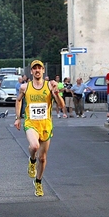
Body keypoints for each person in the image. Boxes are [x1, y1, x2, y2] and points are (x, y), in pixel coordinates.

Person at [14, 60, 65, 197]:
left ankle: (38, 182)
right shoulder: (25, 87)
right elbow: (18, 100)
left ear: (43, 71)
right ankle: (31, 160)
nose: (37, 70)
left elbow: (61, 106)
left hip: (46, 125)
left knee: (42, 158)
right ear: (31, 71)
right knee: (34, 146)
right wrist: (18, 118)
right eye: (34, 68)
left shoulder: (50, 86)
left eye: (39, 68)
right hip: (31, 122)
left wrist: (56, 93)